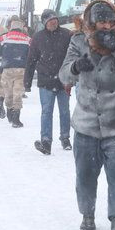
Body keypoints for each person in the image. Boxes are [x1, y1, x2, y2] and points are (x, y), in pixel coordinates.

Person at [59, 0, 115, 230]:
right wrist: (76, 66)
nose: (106, 26)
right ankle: (87, 213)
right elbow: (63, 74)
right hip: (86, 124)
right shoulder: (77, 41)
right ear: (92, 22)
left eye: (111, 22)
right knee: (85, 175)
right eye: (102, 22)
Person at [24, 9, 72, 155]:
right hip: (46, 81)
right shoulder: (38, 38)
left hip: (63, 81)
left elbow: (73, 56)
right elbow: (31, 60)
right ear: (45, 23)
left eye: (55, 20)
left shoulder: (66, 35)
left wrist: (73, 76)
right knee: (46, 112)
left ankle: (65, 138)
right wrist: (27, 81)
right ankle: (46, 141)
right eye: (50, 20)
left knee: (64, 111)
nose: (54, 22)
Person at [0, 19, 30, 128]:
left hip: (7, 69)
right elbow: (31, 57)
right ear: (21, 28)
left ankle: (9, 111)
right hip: (21, 70)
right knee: (18, 93)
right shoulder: (28, 39)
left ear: (11, 27)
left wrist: (0, 68)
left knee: (8, 92)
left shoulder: (3, 38)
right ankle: (16, 118)